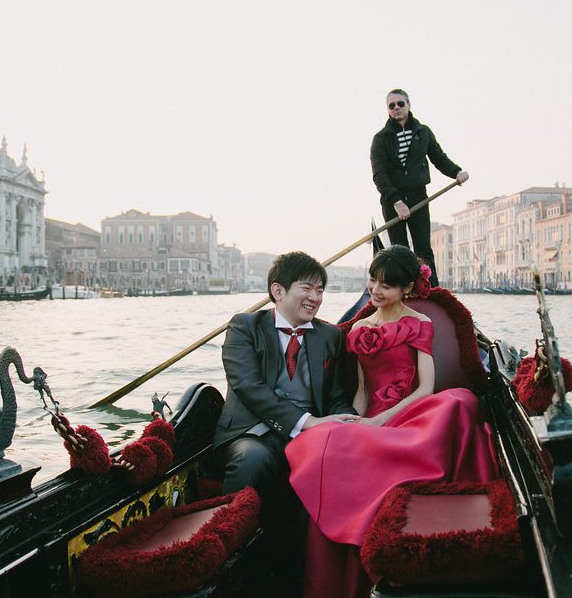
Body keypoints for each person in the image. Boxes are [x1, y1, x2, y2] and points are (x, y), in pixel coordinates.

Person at [286, 245, 497, 598]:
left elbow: (426, 387)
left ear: (406, 289)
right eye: (373, 281)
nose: (376, 290)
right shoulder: (358, 330)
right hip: (373, 415)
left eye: (387, 285)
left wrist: (383, 420)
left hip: (413, 408)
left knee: (457, 402)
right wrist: (358, 420)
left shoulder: (420, 323)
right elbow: (363, 391)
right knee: (332, 440)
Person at [213, 251, 359, 498]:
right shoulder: (244, 327)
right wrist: (306, 422)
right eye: (307, 288)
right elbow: (249, 386)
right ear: (278, 291)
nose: (315, 297)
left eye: (320, 290)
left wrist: (350, 422)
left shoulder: (330, 335)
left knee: (337, 457)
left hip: (310, 437)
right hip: (251, 433)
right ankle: (231, 527)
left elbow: (336, 397)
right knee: (252, 458)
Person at [370, 89, 469, 287]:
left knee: (424, 249)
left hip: (418, 197)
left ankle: (431, 292)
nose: (396, 108)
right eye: (392, 106)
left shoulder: (423, 132)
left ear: (408, 105)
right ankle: (404, 292)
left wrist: (457, 172)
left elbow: (439, 158)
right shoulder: (380, 139)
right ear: (387, 110)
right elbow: (379, 174)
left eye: (400, 104)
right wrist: (397, 201)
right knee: (399, 251)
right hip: (392, 200)